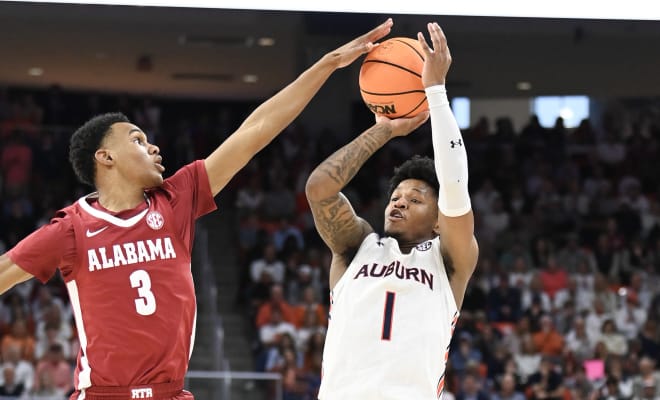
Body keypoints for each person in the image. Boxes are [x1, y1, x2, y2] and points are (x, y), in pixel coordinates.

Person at [0, 18, 395, 400]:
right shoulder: (71, 230)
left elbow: (255, 131)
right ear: (105, 157)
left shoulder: (176, 199)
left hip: (172, 394)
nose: (153, 147)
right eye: (138, 140)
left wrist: (326, 64)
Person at [305, 22, 478, 399]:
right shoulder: (357, 246)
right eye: (396, 196)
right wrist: (382, 130)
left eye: (415, 200)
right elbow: (319, 189)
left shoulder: (448, 261)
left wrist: (435, 92)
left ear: (438, 220)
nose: (399, 202)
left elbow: (454, 186)